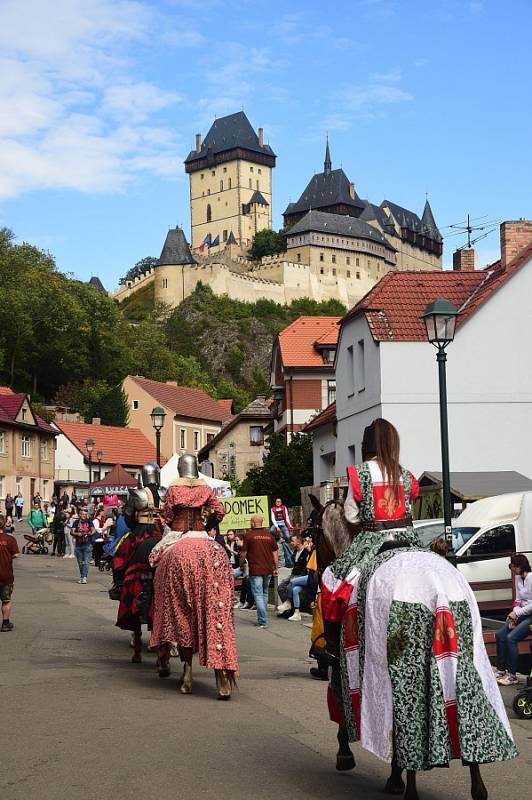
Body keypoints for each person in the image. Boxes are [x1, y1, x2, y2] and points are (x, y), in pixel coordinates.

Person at [320, 418, 517, 781]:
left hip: (371, 542)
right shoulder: (406, 475)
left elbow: (348, 516)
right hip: (410, 541)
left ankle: (332, 643)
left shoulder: (358, 474)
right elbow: (407, 510)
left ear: (366, 446)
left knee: (333, 579)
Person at [150, 453, 238, 699]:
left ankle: (186, 671)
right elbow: (219, 512)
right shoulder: (206, 488)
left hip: (178, 537)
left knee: (155, 561)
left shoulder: (173, 489)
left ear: (180, 469)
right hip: (202, 537)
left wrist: (162, 519)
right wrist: (208, 526)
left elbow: (167, 517)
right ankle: (221, 676)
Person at [115, 462, 164, 663]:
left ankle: (118, 585)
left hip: (142, 533)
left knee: (119, 555)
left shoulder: (138, 494)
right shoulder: (165, 492)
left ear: (143, 476)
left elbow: (128, 521)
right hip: (160, 533)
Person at [495, 553, 532, 686]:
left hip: (530, 616)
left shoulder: (531, 578)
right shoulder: (517, 578)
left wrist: (518, 613)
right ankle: (501, 670)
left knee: (511, 638)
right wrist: (514, 614)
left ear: (521, 566)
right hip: (520, 614)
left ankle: (512, 675)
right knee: (500, 635)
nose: (512, 568)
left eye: (513, 566)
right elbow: (517, 600)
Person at [239, 514, 279, 628]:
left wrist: (241, 564)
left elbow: (243, 553)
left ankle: (263, 620)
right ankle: (263, 617)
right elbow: (275, 552)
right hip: (268, 569)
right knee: (264, 593)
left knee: (258, 595)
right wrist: (276, 567)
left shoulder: (249, 535)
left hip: (255, 569)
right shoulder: (269, 535)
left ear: (252, 522)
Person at [276, 532, 310, 621]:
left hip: (301, 575)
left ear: (298, 542)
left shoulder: (306, 552)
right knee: (280, 588)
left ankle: (289, 604)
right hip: (293, 574)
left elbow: (307, 568)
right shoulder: (295, 552)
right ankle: (288, 607)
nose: (291, 543)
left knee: (291, 586)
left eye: (293, 541)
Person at [0, 514, 20, 632]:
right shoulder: (10, 539)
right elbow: (16, 554)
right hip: (6, 573)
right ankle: (5, 623)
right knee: (6, 600)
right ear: (4, 524)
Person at [71, 508, 94, 584]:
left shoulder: (90, 522)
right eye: (82, 514)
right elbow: (72, 531)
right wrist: (78, 534)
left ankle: (84, 577)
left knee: (86, 562)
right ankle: (82, 576)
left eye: (85, 514)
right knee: (80, 562)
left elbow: (93, 530)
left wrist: (90, 533)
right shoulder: (76, 522)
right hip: (78, 545)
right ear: (79, 514)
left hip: (87, 544)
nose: (84, 516)